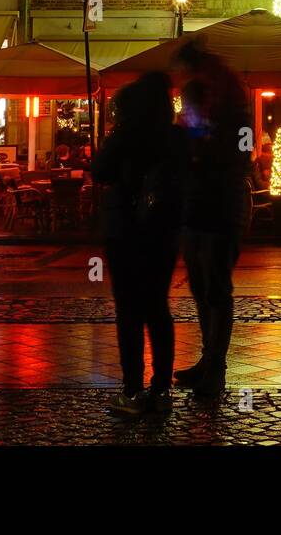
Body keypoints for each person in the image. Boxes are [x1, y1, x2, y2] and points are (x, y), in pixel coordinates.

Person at [93, 71, 185, 417]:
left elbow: (100, 171)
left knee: (129, 311)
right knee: (158, 308)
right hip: (162, 230)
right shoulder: (174, 138)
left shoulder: (126, 135)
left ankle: (132, 389)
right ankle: (161, 389)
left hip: (126, 229)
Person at [172, 41, 251, 399]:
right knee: (204, 288)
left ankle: (215, 368)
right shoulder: (217, 99)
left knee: (214, 289)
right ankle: (209, 360)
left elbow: (230, 154)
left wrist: (194, 148)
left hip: (217, 206)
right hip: (203, 205)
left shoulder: (225, 104)